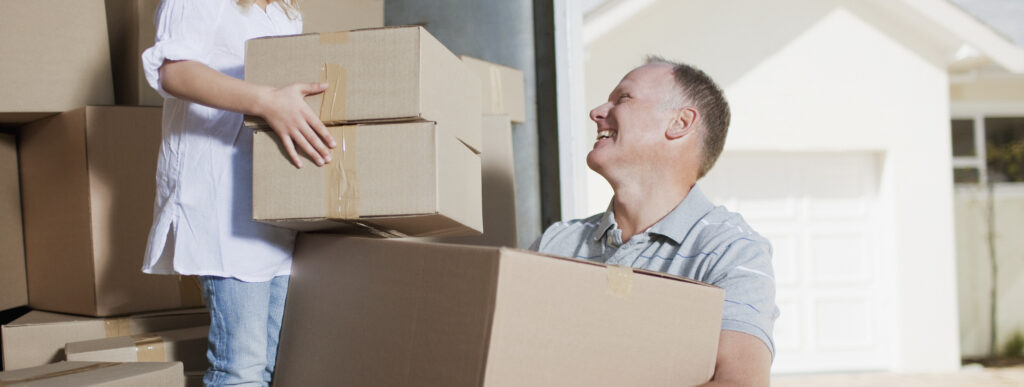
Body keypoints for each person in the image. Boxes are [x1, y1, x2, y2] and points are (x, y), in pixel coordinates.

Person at [531, 57, 778, 386]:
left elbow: (739, 383)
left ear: (680, 123)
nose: (597, 112)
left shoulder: (731, 251)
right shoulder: (555, 244)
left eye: (623, 98)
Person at [140, 0, 335, 385]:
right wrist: (264, 101)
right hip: (219, 200)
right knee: (241, 366)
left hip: (275, 202)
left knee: (271, 364)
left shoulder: (282, 12)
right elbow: (174, 71)